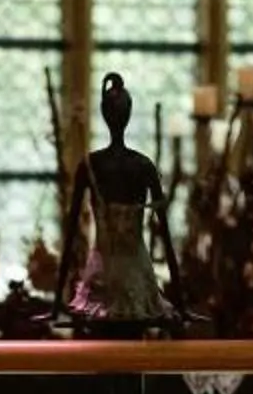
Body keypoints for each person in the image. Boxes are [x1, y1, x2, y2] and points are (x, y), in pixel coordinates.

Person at [55, 73, 183, 333]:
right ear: (129, 114)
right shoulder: (143, 165)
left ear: (104, 114)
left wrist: (57, 299)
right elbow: (167, 238)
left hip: (103, 282)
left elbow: (70, 234)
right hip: (137, 282)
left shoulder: (90, 165)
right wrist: (181, 303)